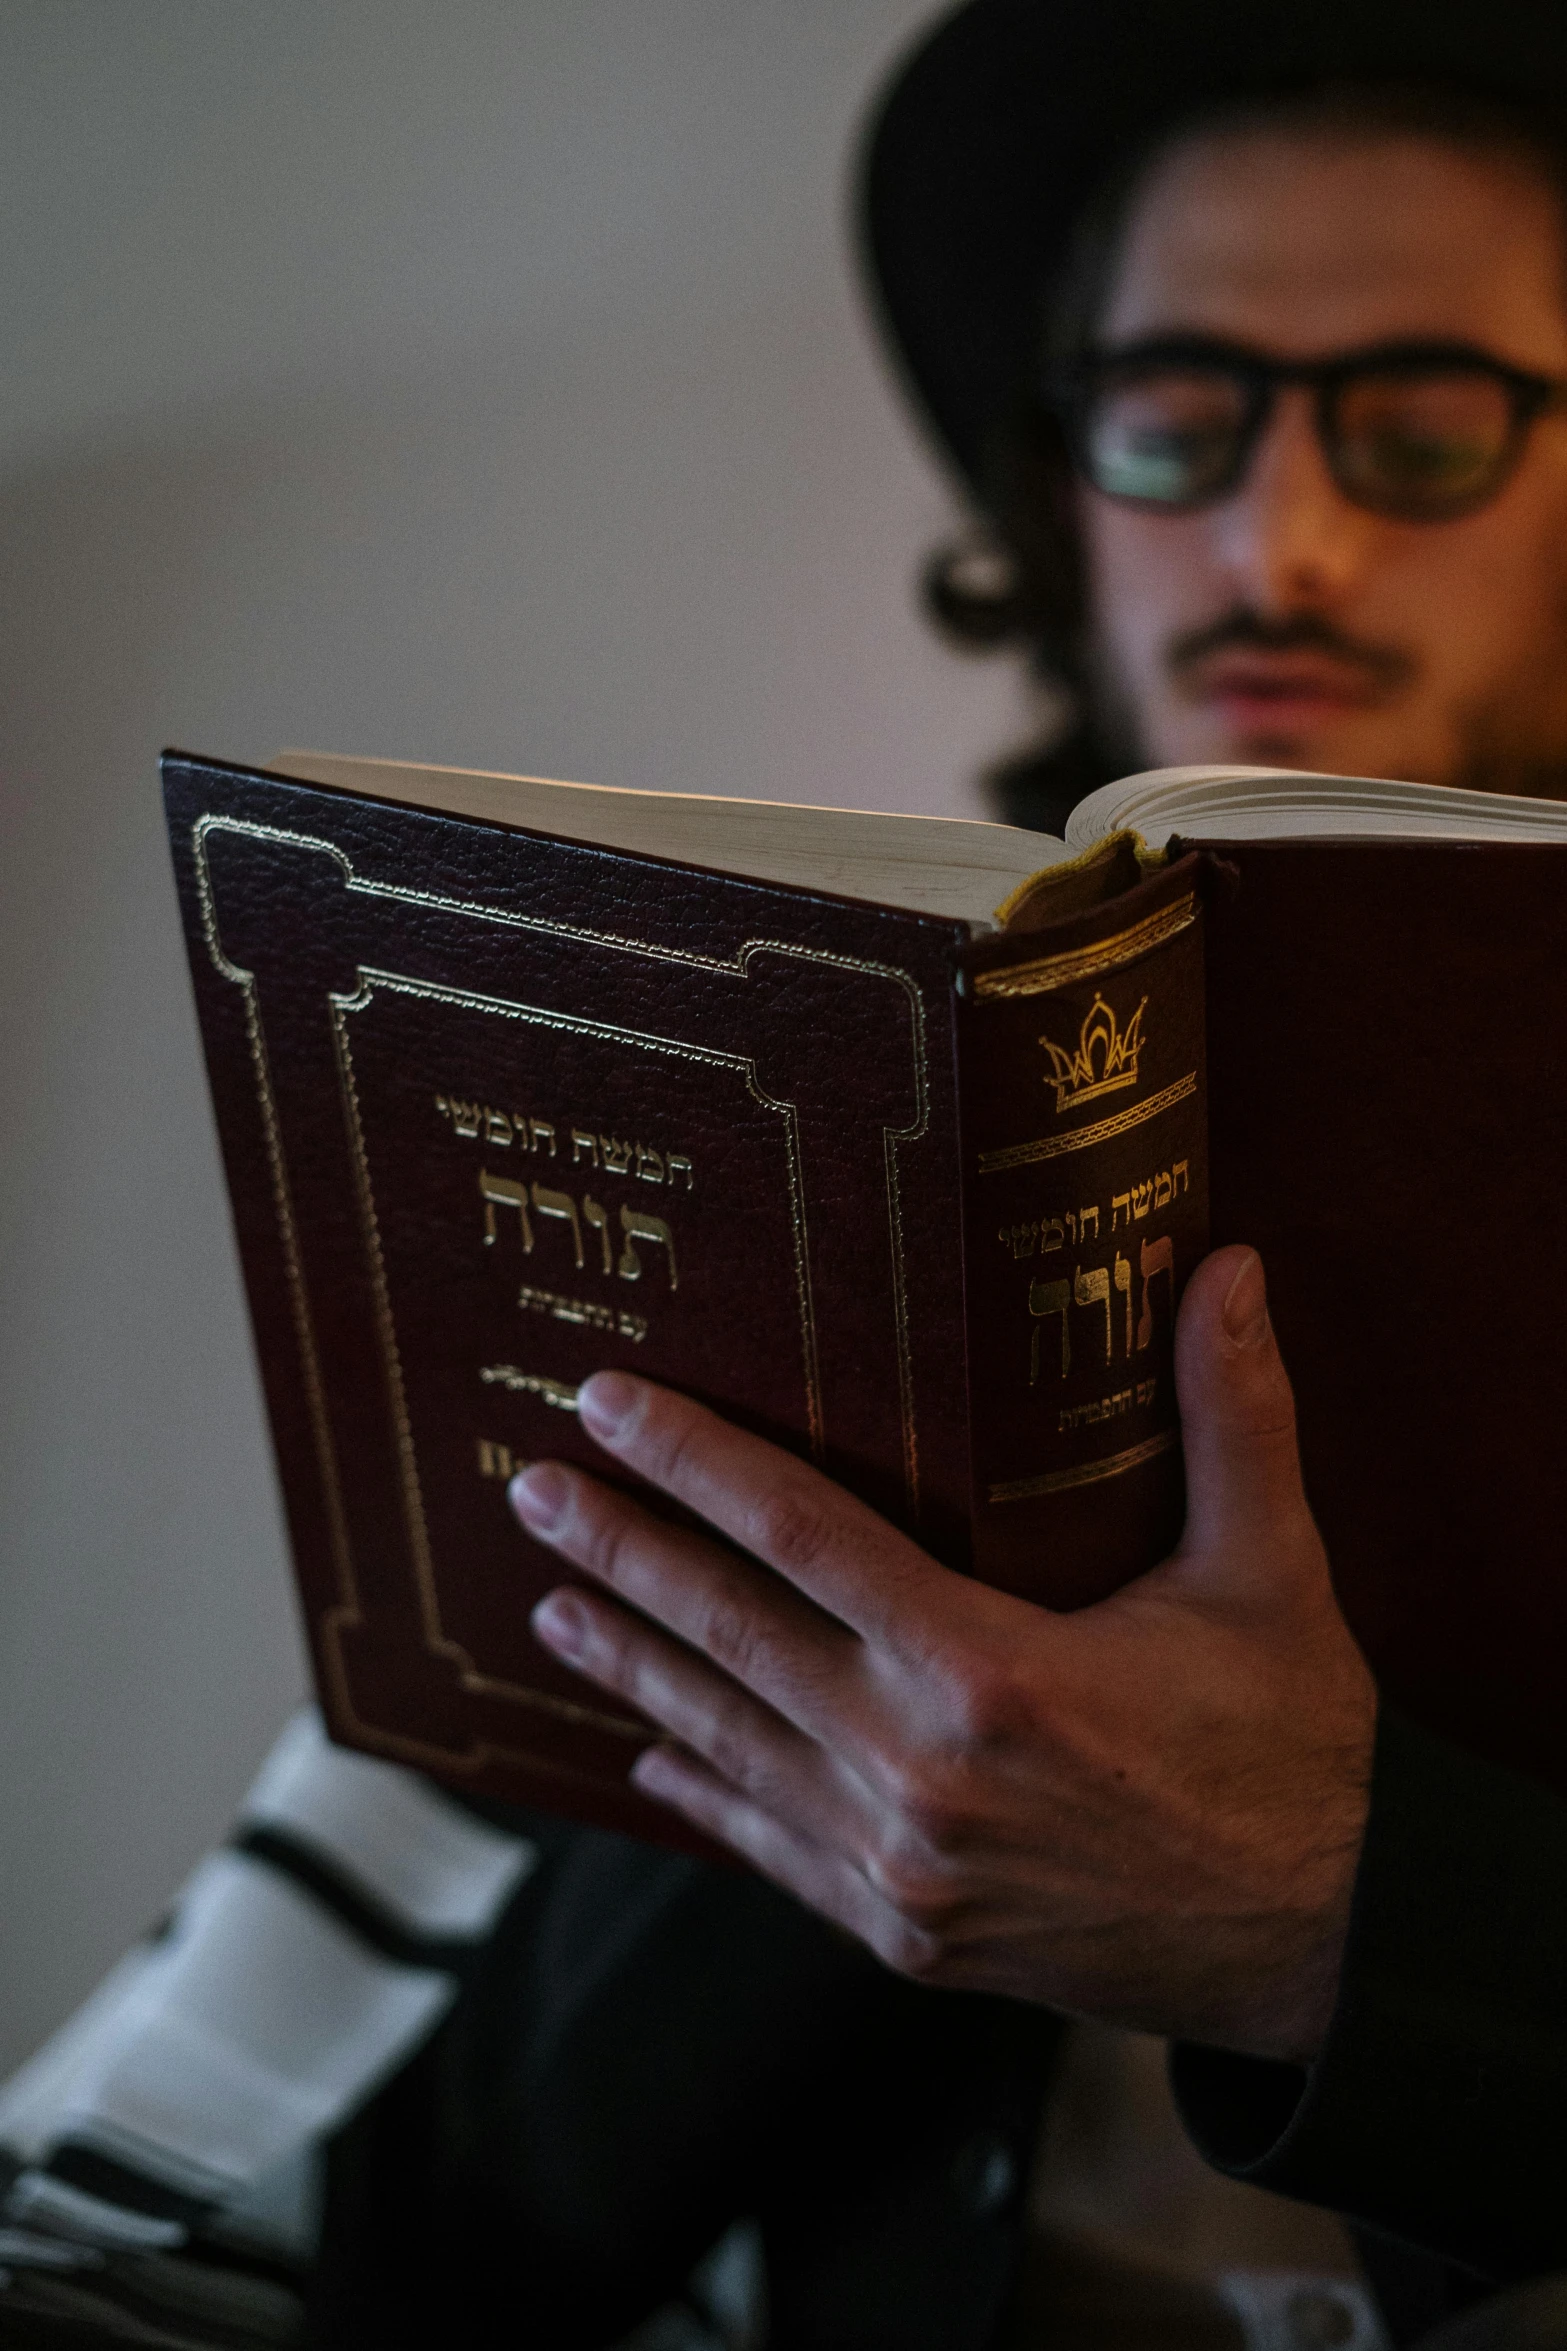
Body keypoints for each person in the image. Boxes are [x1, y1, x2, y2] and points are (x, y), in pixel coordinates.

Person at [6, 3, 1567, 2345]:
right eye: (1177, 417)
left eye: (1428, 426)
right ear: (1060, 487)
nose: (1288, 543)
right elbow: (166, 2198)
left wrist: (1344, 1922)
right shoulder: (796, 1123)